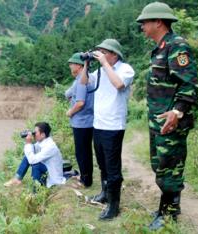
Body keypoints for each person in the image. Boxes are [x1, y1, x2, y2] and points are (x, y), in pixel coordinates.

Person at [136, 2, 198, 230]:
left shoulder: (177, 47)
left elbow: (190, 85)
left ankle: (168, 215)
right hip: (158, 123)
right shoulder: (160, 48)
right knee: (160, 166)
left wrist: (177, 111)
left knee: (169, 169)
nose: (142, 26)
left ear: (158, 22)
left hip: (172, 123)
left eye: (145, 22)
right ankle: (171, 205)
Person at [81, 39, 135, 220]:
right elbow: (84, 82)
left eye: (104, 52)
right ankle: (105, 193)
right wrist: (86, 64)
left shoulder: (125, 69)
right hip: (98, 124)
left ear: (114, 54)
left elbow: (119, 84)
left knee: (113, 168)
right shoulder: (100, 70)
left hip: (113, 126)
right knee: (102, 163)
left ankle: (114, 205)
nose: (101, 55)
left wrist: (104, 64)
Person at [4, 122, 66, 188]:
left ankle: (35, 191)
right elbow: (31, 152)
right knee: (28, 157)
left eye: (35, 133)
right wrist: (29, 141)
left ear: (42, 135)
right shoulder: (43, 141)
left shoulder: (50, 147)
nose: (34, 134)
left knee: (36, 165)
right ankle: (17, 179)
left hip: (53, 178)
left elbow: (32, 160)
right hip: (47, 170)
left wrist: (28, 143)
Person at [65, 53, 94, 187]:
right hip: (88, 121)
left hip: (82, 122)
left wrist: (70, 112)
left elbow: (80, 103)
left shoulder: (82, 80)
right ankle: (85, 176)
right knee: (85, 151)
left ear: (79, 65)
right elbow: (71, 94)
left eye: (72, 64)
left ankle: (85, 180)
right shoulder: (88, 77)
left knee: (82, 152)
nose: (70, 66)